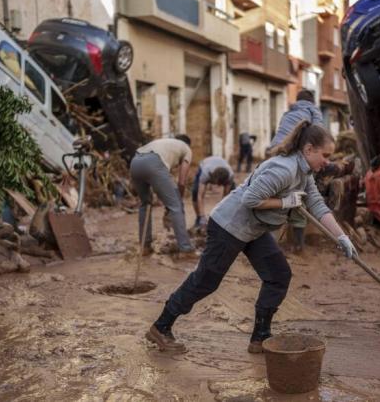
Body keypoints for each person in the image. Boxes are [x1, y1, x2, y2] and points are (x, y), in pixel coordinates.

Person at [145, 122, 358, 353]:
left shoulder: (303, 172)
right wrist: (285, 203)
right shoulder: (284, 169)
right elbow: (250, 199)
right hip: (229, 225)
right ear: (308, 149)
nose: (328, 161)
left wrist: (341, 237)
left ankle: (260, 337)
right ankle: (161, 326)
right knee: (206, 281)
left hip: (254, 230)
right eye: (325, 155)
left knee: (278, 275)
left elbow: (316, 204)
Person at [267, 89, 325, 253]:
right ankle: (298, 246)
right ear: (312, 102)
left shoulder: (287, 113)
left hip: (275, 154)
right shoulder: (314, 111)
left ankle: (269, 246)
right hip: (295, 157)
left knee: (275, 199)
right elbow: (319, 137)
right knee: (301, 199)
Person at [130, 134, 195, 255]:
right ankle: (186, 250)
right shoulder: (186, 149)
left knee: (145, 204)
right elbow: (182, 181)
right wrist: (177, 199)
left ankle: (145, 247)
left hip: (135, 163)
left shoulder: (166, 143)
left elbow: (164, 180)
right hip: (154, 162)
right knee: (176, 207)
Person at [192, 156, 236, 228]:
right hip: (205, 164)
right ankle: (199, 219)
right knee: (195, 192)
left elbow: (225, 198)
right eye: (216, 183)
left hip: (223, 169)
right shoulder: (206, 173)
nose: (217, 186)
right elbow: (200, 196)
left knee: (233, 197)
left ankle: (229, 220)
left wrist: (221, 216)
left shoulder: (230, 176)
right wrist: (202, 216)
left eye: (220, 184)